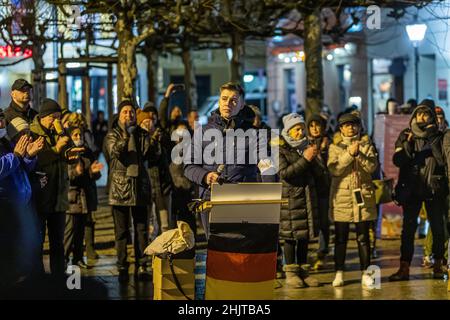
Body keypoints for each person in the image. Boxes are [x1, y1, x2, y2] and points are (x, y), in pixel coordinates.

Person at [184, 81, 274, 238]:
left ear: (241, 104)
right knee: (218, 254)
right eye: (224, 99)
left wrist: (270, 194)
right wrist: (205, 176)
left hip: (243, 200)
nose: (228, 103)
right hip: (211, 199)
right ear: (219, 101)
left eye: (233, 100)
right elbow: (189, 166)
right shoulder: (202, 132)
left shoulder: (253, 134)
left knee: (242, 253)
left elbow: (266, 165)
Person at [390, 99, 448, 281]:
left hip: (434, 188)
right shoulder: (406, 134)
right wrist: (407, 147)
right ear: (414, 116)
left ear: (432, 116)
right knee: (408, 230)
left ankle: (438, 265)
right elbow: (398, 161)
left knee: (438, 229)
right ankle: (404, 267)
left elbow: (442, 161)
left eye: (426, 113)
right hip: (412, 189)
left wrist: (432, 138)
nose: (422, 117)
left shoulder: (440, 136)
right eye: (419, 113)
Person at [328, 112, 379, 288]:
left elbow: (372, 167)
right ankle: (339, 272)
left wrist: (360, 155)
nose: (351, 128)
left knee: (363, 237)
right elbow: (334, 169)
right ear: (341, 128)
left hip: (362, 196)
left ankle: (366, 273)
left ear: (359, 126)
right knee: (340, 238)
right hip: (342, 198)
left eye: (354, 124)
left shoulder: (367, 144)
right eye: (347, 125)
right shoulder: (334, 146)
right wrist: (349, 154)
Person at [103, 100, 152, 282]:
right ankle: (122, 265)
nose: (128, 115)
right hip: (120, 189)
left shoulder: (141, 133)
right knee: (122, 231)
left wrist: (150, 137)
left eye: (131, 112)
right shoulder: (112, 134)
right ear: (119, 114)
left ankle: (142, 265)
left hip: (140, 187)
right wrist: (126, 135)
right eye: (125, 112)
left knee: (141, 230)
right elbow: (115, 152)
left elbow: (149, 155)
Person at [29, 98, 73, 277]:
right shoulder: (32, 133)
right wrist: (55, 149)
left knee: (57, 242)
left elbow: (69, 146)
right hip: (40, 197)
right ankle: (37, 278)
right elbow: (34, 160)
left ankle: (58, 278)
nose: (57, 121)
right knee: (37, 242)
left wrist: (62, 132)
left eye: (59, 117)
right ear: (44, 117)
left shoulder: (59, 131)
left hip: (58, 197)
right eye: (54, 117)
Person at [0, 108, 43, 288]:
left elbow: (21, 167)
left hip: (20, 205)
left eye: (2, 120)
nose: (1, 124)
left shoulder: (4, 142)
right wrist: (17, 156)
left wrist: (29, 156)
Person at [278, 113, 321, 288]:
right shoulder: (281, 148)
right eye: (297, 129)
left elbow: (319, 174)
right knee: (290, 237)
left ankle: (304, 272)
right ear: (288, 131)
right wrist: (306, 159)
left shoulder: (307, 146)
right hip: (290, 199)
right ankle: (291, 273)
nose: (301, 132)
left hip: (307, 197)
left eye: (302, 128)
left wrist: (314, 159)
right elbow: (285, 174)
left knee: (304, 237)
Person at [64, 126, 103, 269]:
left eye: (79, 135)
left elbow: (93, 175)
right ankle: (63, 259)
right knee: (69, 232)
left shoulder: (87, 152)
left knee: (80, 232)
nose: (78, 137)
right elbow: (67, 175)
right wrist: (76, 172)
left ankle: (78, 258)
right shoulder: (68, 153)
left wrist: (94, 172)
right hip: (72, 198)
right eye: (74, 135)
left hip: (85, 197)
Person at [141, 102, 173, 236]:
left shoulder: (161, 135)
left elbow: (167, 156)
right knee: (147, 223)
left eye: (153, 115)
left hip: (163, 185)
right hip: (146, 186)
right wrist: (151, 139)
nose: (151, 120)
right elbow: (145, 155)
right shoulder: (141, 138)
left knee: (165, 222)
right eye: (147, 119)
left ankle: (165, 250)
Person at [307, 114, 331, 270]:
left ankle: (322, 252)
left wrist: (322, 152)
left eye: (318, 125)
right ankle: (308, 253)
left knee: (323, 222)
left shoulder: (329, 143)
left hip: (323, 188)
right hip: (309, 189)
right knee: (310, 222)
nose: (315, 128)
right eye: (312, 125)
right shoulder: (304, 144)